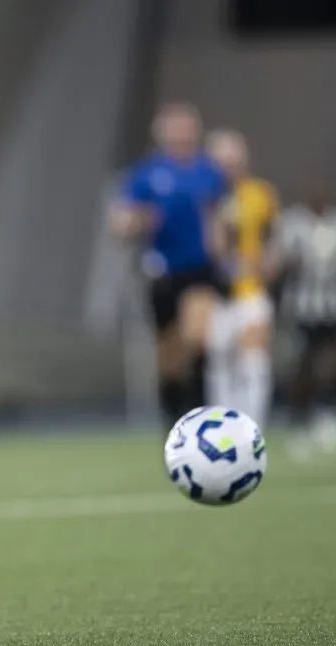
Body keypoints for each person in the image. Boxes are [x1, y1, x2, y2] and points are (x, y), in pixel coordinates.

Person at [111, 103, 228, 426]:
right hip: (163, 271)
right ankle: (172, 417)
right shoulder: (148, 174)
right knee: (169, 354)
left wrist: (221, 249)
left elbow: (218, 217)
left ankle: (204, 418)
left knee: (197, 339)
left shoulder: (209, 172)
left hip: (199, 269)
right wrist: (138, 221)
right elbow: (120, 221)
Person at [268, 187, 336, 458]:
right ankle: (299, 421)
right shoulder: (294, 224)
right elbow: (284, 261)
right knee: (305, 365)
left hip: (335, 305)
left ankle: (328, 412)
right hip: (303, 306)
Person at [205, 129, 280, 428]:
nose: (228, 168)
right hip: (216, 293)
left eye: (233, 161)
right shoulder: (207, 197)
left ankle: (253, 428)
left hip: (250, 289)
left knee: (254, 360)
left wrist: (271, 263)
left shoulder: (259, 193)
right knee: (220, 362)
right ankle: (222, 428)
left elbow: (274, 235)